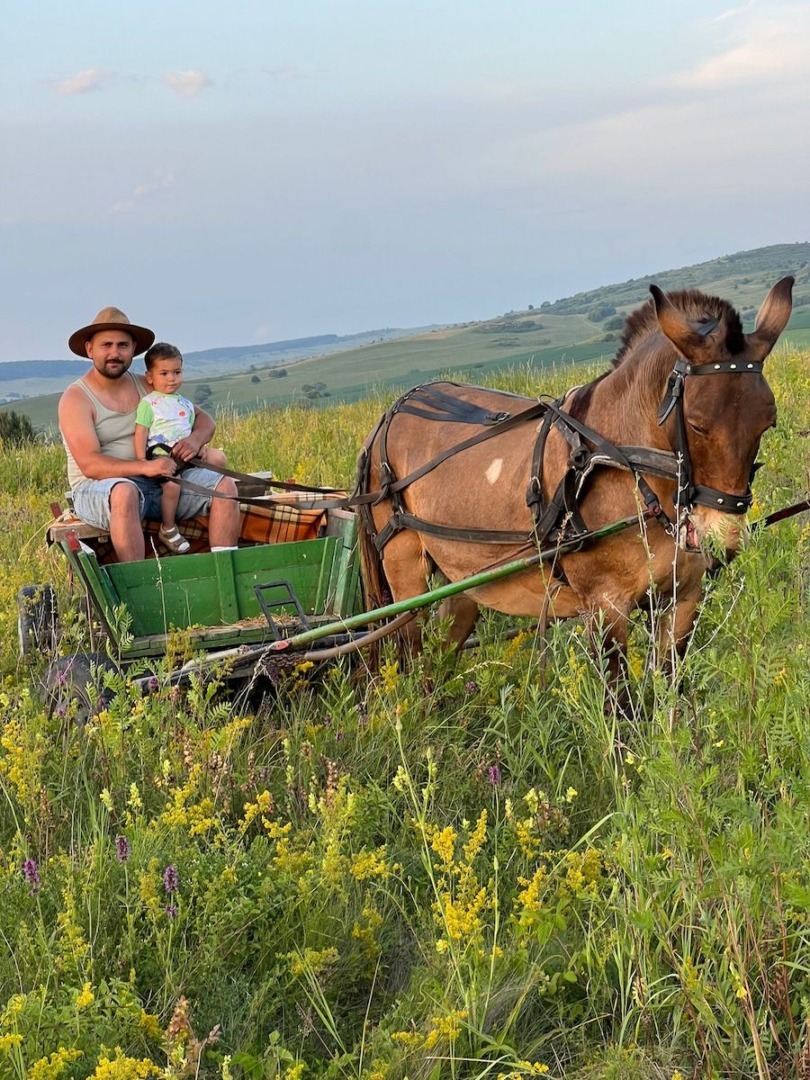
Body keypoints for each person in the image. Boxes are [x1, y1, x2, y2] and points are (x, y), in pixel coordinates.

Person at [58, 307, 240, 562]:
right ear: (90, 349)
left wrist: (194, 440)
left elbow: (204, 419)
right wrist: (145, 467)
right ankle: (137, 589)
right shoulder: (76, 398)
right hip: (99, 490)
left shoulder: (147, 385)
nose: (114, 353)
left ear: (133, 349)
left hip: (161, 480)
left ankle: (226, 576)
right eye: (106, 345)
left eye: (122, 345)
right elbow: (91, 465)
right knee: (125, 493)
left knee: (224, 486)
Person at [134, 342, 226, 554]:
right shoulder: (150, 404)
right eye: (164, 373)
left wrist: (200, 445)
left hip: (186, 454)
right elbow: (140, 432)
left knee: (219, 458)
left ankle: (210, 489)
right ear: (150, 377)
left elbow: (189, 429)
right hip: (162, 455)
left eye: (176, 372)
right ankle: (168, 528)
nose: (171, 378)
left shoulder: (184, 403)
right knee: (172, 486)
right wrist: (142, 462)